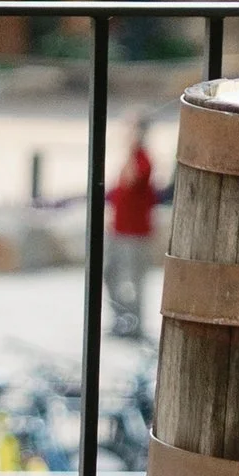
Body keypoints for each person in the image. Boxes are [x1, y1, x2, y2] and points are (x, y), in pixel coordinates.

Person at [106, 117, 161, 341]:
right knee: (110, 274)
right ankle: (123, 318)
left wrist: (132, 149)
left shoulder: (143, 159)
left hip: (136, 232)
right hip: (119, 229)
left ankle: (134, 324)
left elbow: (132, 180)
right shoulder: (133, 158)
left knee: (135, 279)